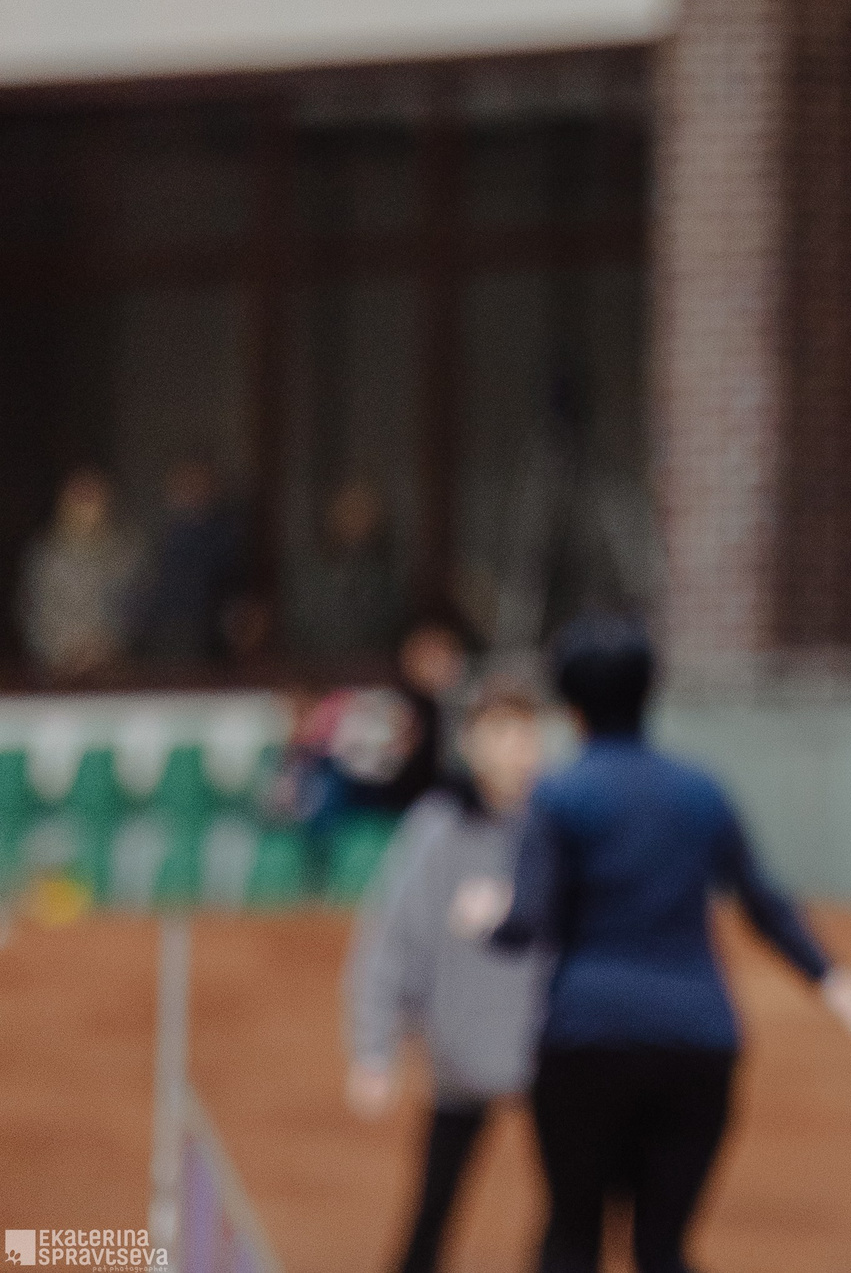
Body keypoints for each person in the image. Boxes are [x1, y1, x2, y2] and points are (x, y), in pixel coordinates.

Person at [482, 613, 851, 1273]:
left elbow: (525, 924)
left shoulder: (557, 795)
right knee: (663, 1249)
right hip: (698, 1043)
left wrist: (485, 916)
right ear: (649, 694)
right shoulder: (700, 792)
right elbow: (765, 906)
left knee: (571, 1240)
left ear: (570, 707)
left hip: (584, 1041)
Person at [343, 676, 551, 1273]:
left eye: (526, 732)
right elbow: (392, 943)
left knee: (570, 1218)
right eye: (501, 731)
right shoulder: (435, 831)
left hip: (551, 1051)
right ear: (469, 743)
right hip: (460, 1052)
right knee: (433, 1210)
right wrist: (374, 1050)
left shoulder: (559, 827)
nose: (517, 747)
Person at [17, 466, 142, 679]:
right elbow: (32, 610)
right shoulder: (44, 555)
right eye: (78, 497)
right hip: (56, 671)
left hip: (113, 669)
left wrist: (104, 648)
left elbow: (135, 607)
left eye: (92, 497)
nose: (86, 507)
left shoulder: (126, 553)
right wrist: (63, 653)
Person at [129, 457, 249, 665]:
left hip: (208, 647)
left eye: (197, 484)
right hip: (155, 645)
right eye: (183, 485)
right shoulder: (153, 537)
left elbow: (237, 601)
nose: (190, 493)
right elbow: (138, 595)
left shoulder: (227, 538)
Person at [292, 478, 404, 659]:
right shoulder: (309, 572)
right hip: (312, 666)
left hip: (368, 670)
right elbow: (300, 624)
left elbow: (389, 627)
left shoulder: (385, 576)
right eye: (349, 510)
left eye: (362, 512)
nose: (355, 520)